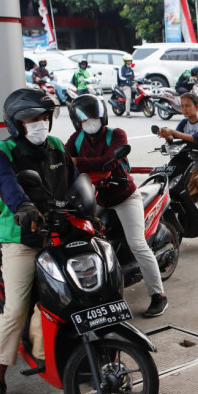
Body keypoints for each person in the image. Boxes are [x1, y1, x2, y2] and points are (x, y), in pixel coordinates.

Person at [0, 88, 77, 394]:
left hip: (58, 231)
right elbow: (7, 183)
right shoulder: (1, 152)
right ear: (15, 125)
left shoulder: (54, 146)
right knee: (17, 308)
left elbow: (74, 181)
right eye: (30, 119)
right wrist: (23, 206)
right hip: (21, 236)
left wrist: (90, 209)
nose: (39, 123)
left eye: (43, 117)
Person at [65, 95, 169, 317]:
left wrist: (76, 162)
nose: (90, 122)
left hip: (125, 198)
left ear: (102, 117)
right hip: (97, 200)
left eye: (94, 117)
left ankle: (158, 295)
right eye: (85, 119)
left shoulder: (117, 134)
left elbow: (108, 160)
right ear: (77, 121)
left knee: (137, 244)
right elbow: (63, 162)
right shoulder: (76, 139)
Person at [157, 92, 198, 228]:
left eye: (188, 106)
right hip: (196, 164)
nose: (185, 109)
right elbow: (177, 140)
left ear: (197, 106)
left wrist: (173, 132)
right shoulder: (184, 123)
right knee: (181, 189)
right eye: (182, 106)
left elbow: (197, 139)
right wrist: (167, 136)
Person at [118, 54, 136, 118]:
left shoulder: (131, 69)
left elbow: (133, 76)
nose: (129, 62)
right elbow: (120, 77)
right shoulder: (122, 68)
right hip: (124, 85)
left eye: (130, 61)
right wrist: (126, 79)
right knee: (128, 97)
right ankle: (128, 112)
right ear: (125, 62)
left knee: (139, 89)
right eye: (128, 61)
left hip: (131, 84)